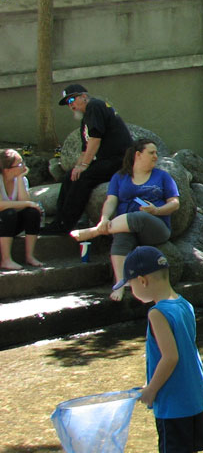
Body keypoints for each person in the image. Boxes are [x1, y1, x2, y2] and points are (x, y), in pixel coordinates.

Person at [114, 246, 203, 453]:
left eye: (130, 286)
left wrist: (151, 390)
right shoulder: (184, 304)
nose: (132, 292)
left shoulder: (157, 313)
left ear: (143, 281)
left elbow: (170, 358)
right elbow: (186, 351)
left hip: (173, 403)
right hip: (195, 397)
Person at [70, 139, 179, 301]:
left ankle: (95, 232)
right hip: (125, 225)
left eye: (156, 153)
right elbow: (111, 201)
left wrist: (156, 210)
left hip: (156, 227)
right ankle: (120, 285)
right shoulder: (120, 177)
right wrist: (104, 218)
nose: (156, 156)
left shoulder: (163, 177)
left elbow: (175, 204)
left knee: (140, 216)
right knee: (121, 238)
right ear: (138, 155)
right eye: (151, 153)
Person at [42, 84, 132, 235]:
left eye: (72, 99)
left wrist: (84, 166)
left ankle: (65, 225)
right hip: (107, 160)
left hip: (120, 160)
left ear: (84, 96)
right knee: (71, 176)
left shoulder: (94, 106)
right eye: (67, 103)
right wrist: (76, 168)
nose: (71, 105)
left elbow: (96, 139)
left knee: (83, 178)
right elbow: (85, 149)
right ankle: (59, 221)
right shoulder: (86, 119)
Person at [0, 149, 43, 269]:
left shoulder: (22, 179)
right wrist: (28, 203)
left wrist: (19, 178)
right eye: (20, 164)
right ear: (6, 169)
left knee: (32, 213)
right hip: (3, 221)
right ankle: (5, 259)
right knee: (9, 213)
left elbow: (24, 203)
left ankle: (30, 256)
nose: (24, 166)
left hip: (10, 225)